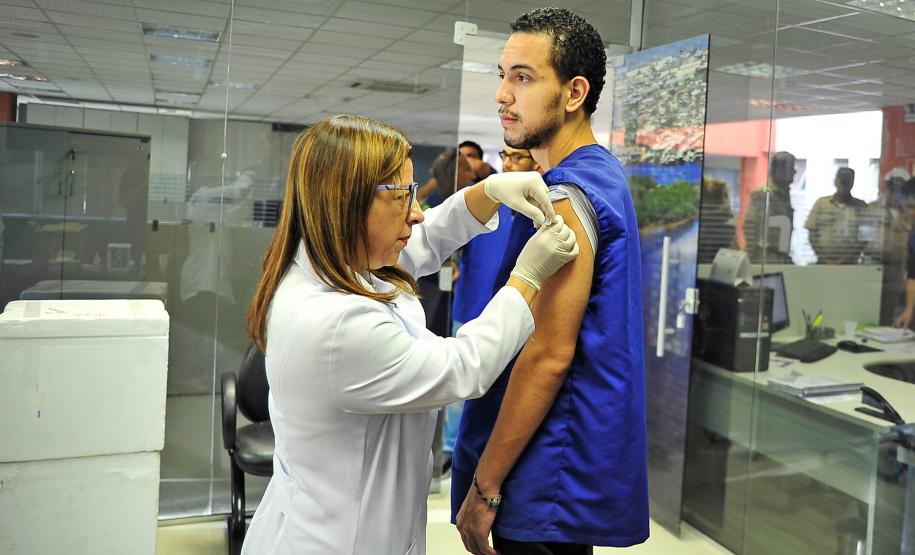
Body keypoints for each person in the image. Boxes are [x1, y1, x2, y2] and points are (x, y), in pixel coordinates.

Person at [240, 114, 580, 554]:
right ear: (349, 202)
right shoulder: (336, 324)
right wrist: (528, 276)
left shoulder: (335, 259)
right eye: (402, 195)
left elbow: (425, 239)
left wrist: (488, 193)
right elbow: (464, 367)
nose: (416, 212)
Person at [451, 8, 648, 554]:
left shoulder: (567, 194)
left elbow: (548, 355)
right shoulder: (600, 174)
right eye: (502, 75)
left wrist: (485, 488)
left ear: (573, 92)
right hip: (556, 469)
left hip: (539, 473)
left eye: (523, 77)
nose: (502, 95)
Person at [443, 145, 542, 473]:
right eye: (506, 156)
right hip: (470, 305)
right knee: (460, 391)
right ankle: (452, 452)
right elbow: (443, 242)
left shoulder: (540, 210)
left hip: (514, 317)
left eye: (518, 157)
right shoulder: (485, 203)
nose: (509, 163)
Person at [805, 167, 867, 264]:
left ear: (852, 183)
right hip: (823, 263)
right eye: (842, 182)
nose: (844, 186)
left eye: (847, 182)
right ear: (835, 182)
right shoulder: (821, 203)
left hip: (850, 265)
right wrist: (823, 258)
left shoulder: (861, 207)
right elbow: (812, 234)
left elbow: (865, 238)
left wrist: (846, 259)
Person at [743, 151, 797, 263]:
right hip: (765, 259)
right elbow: (750, 227)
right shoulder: (764, 194)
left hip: (779, 258)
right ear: (778, 171)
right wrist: (754, 261)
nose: (794, 172)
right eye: (791, 169)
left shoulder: (784, 194)